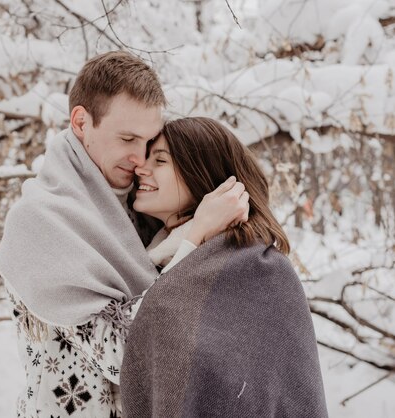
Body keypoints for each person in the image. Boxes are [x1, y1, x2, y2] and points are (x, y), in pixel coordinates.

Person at [0, 52, 249, 417]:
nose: (140, 158)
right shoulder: (39, 223)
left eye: (148, 142)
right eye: (128, 138)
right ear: (81, 122)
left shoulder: (142, 207)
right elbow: (127, 356)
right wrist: (196, 239)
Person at [121, 117, 328, 417]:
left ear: (200, 173)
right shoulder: (149, 256)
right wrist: (194, 237)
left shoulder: (260, 271)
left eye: (160, 160)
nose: (141, 167)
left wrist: (194, 239)